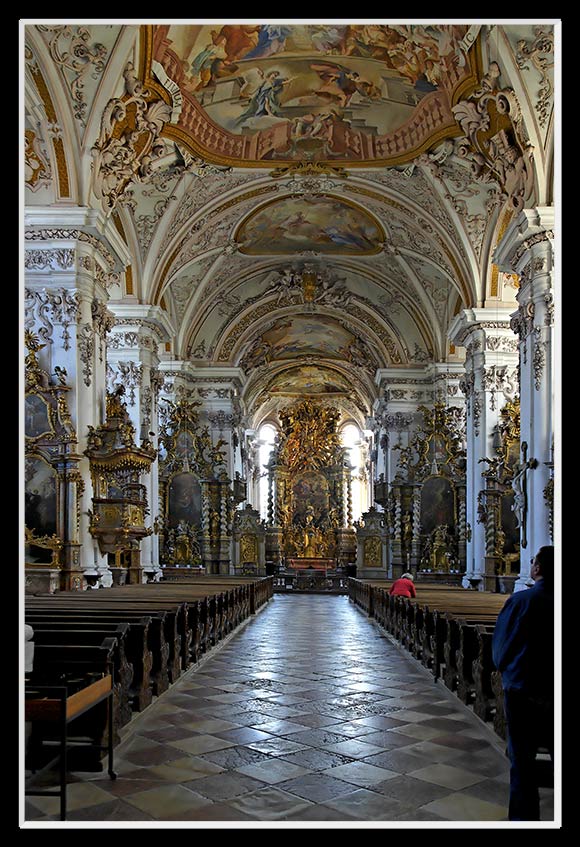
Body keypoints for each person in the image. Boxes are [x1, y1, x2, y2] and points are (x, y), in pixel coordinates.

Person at [491, 545, 554, 821]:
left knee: (523, 763)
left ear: (537, 568)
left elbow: (500, 651)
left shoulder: (520, 601)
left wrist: (505, 671)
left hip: (524, 690)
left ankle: (524, 819)